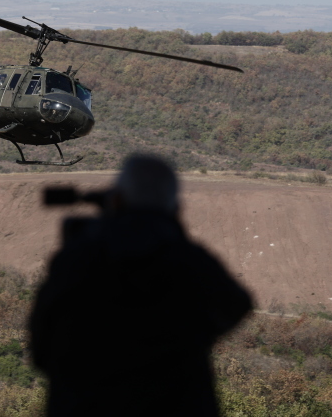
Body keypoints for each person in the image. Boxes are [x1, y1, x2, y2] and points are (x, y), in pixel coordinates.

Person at [29, 155, 252, 416]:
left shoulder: (79, 259)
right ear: (175, 209)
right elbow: (235, 305)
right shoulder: (187, 261)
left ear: (118, 200)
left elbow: (41, 349)